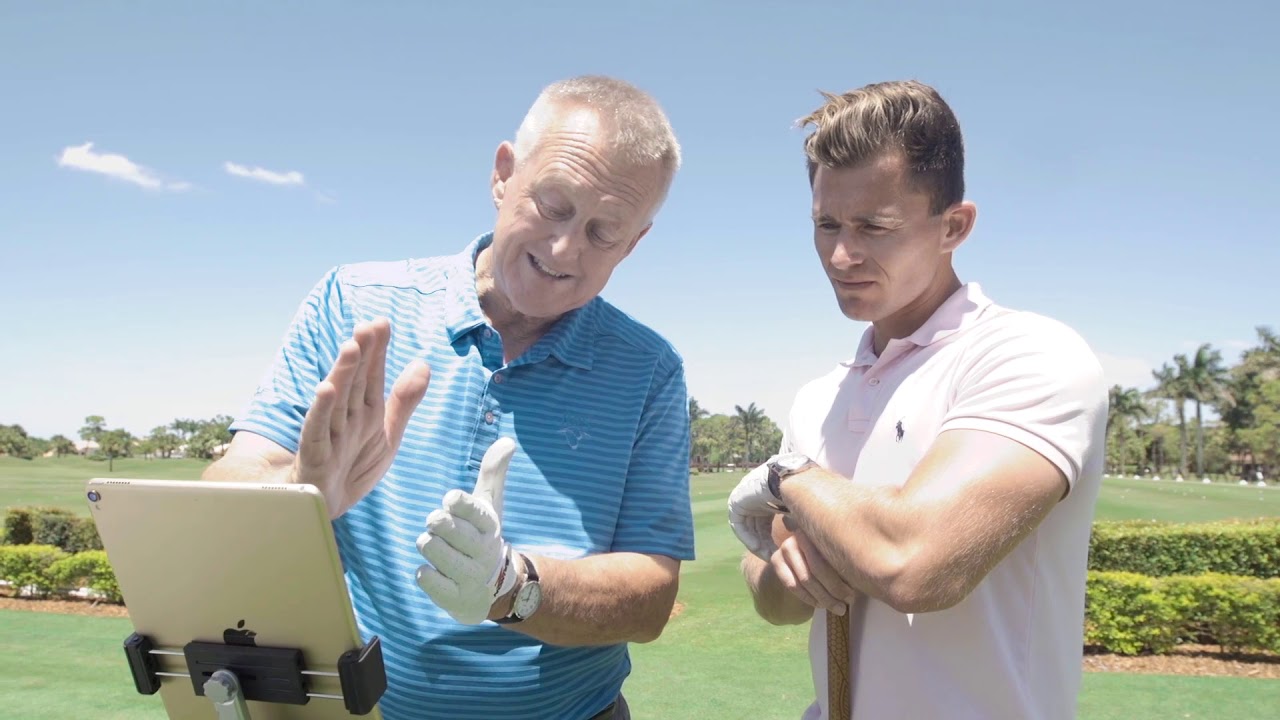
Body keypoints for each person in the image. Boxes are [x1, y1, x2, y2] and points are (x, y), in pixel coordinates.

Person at [203, 75, 694, 720]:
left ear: (634, 243)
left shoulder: (649, 368)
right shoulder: (352, 302)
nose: (564, 249)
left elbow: (650, 596)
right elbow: (232, 478)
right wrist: (299, 491)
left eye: (605, 233)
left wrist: (511, 585)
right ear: (503, 175)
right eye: (554, 205)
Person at [728, 80, 1108, 720]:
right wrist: (783, 570)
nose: (841, 255)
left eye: (875, 227)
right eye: (826, 224)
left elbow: (913, 565)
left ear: (954, 226)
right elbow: (775, 604)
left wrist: (785, 474)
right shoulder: (819, 397)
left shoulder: (1028, 355)